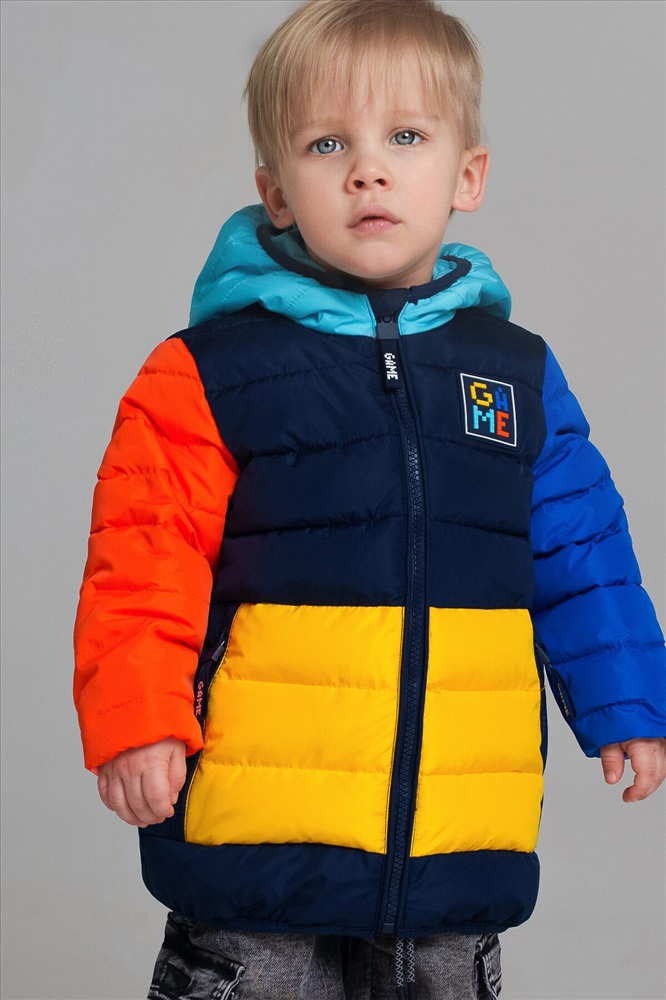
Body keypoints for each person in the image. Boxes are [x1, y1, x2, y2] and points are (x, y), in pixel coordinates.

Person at [73, 1, 666, 997]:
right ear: (275, 191)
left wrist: (629, 700)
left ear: (467, 175)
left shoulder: (516, 376)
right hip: (257, 838)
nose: (367, 170)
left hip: (453, 836)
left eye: (406, 137)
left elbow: (583, 550)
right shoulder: (209, 372)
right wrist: (137, 716)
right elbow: (142, 550)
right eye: (326, 144)